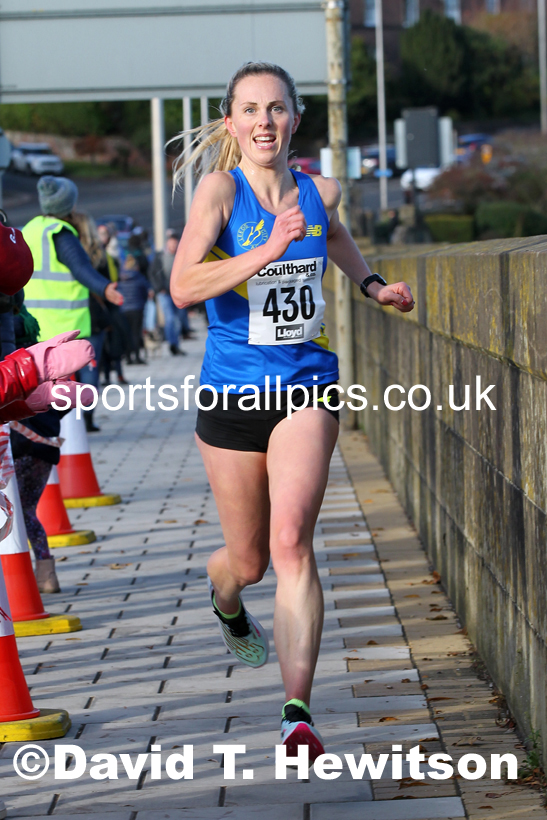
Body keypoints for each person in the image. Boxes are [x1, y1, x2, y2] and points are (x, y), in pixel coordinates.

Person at [170, 62, 415, 761]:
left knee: (289, 544)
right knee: (245, 562)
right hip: (231, 395)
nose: (263, 122)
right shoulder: (219, 192)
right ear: (231, 124)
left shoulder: (319, 191)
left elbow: (330, 233)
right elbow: (183, 285)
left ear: (294, 118)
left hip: (307, 386)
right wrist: (265, 251)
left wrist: (370, 284)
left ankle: (296, 713)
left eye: (275, 108)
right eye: (249, 110)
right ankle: (224, 599)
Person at [22, 177, 124, 425]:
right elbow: (80, 267)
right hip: (68, 323)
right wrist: (105, 287)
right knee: (83, 382)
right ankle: (78, 423)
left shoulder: (29, 230)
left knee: (42, 384)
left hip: (35, 324)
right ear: (68, 206)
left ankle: (49, 426)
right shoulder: (61, 233)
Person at [149, 232, 187, 356]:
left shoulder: (181, 256)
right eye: (171, 244)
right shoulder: (160, 257)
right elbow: (153, 273)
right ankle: (172, 344)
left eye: (175, 244)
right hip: (164, 292)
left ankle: (176, 342)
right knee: (170, 318)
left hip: (178, 292)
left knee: (179, 318)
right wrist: (158, 288)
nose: (173, 246)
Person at [118, 253, 151, 364]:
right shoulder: (139, 276)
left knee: (127, 334)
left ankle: (128, 358)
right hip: (137, 308)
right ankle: (137, 356)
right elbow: (145, 291)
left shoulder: (120, 278)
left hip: (124, 309)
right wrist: (143, 302)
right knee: (136, 333)